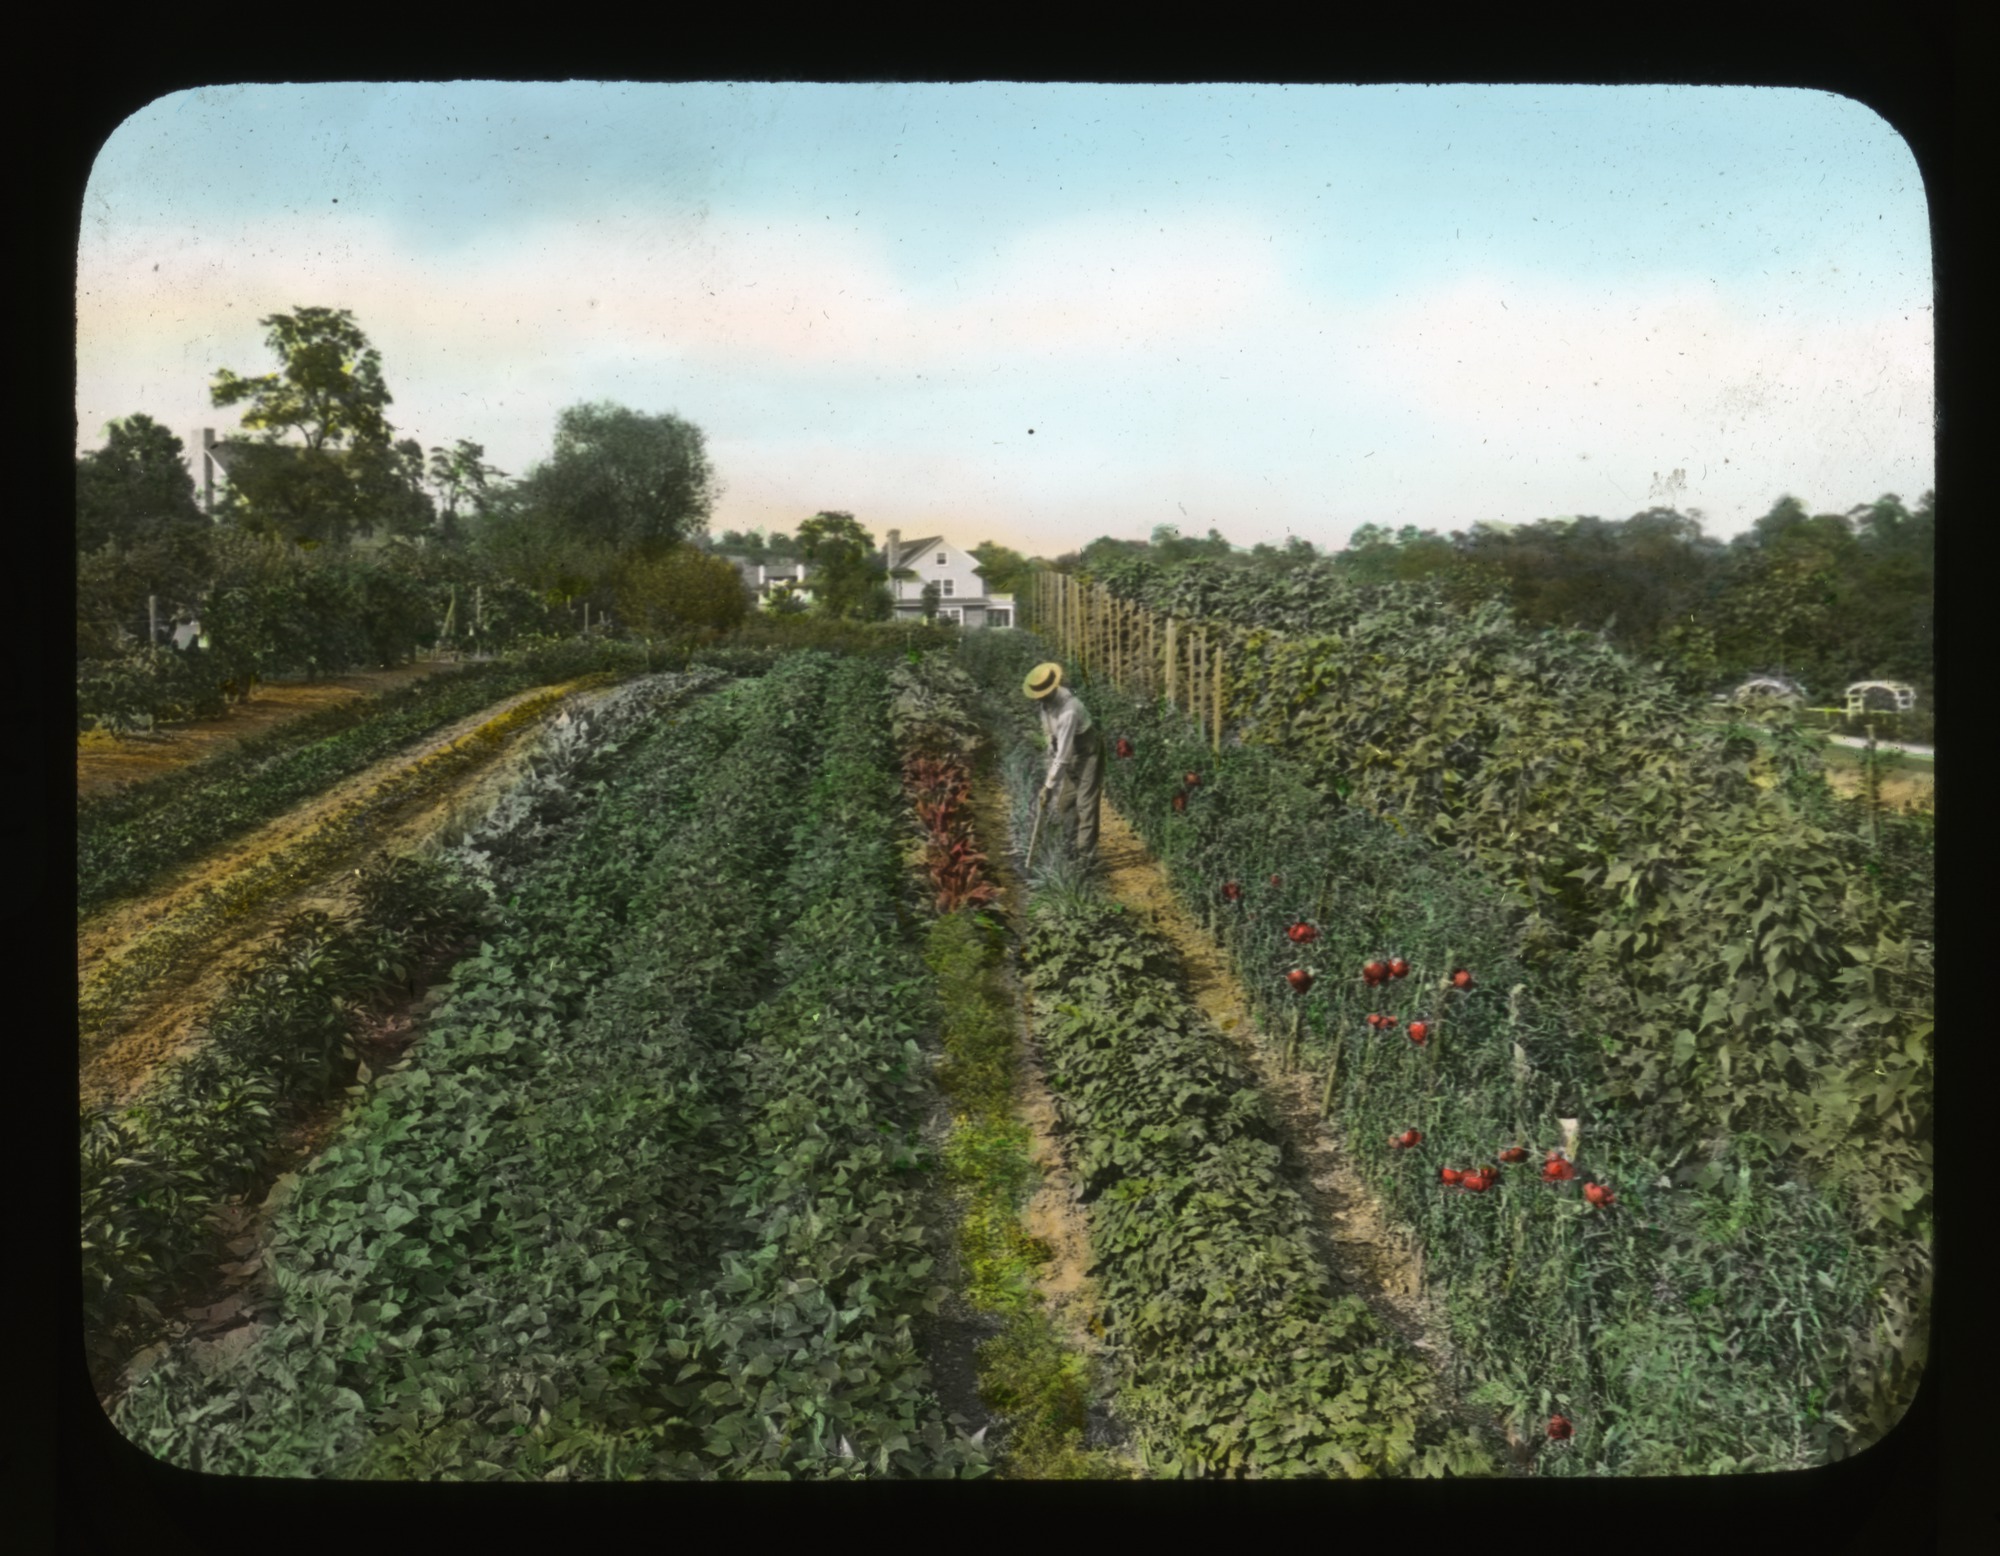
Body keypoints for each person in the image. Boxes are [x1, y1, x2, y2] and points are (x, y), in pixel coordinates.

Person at [1023, 660, 1103, 864]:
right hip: (1070, 753)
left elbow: (1064, 755)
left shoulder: (1069, 710)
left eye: (1042, 695)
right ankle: (1069, 850)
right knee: (1066, 804)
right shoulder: (1045, 706)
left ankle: (1086, 858)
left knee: (1085, 804)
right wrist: (1051, 748)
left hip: (1087, 752)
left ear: (1051, 690)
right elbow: (1051, 735)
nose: (1039, 699)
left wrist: (1049, 786)